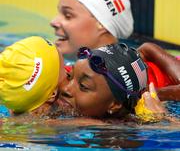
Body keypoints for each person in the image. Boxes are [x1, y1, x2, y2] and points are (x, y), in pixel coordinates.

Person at [50, 0, 180, 100]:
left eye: (68, 15)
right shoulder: (61, 75)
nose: (53, 22)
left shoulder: (159, 68)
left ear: (101, 24)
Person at [0, 36, 165, 123]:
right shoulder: (61, 107)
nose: (65, 89)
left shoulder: (113, 126)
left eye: (84, 86)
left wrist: (157, 122)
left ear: (114, 105)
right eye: (70, 76)